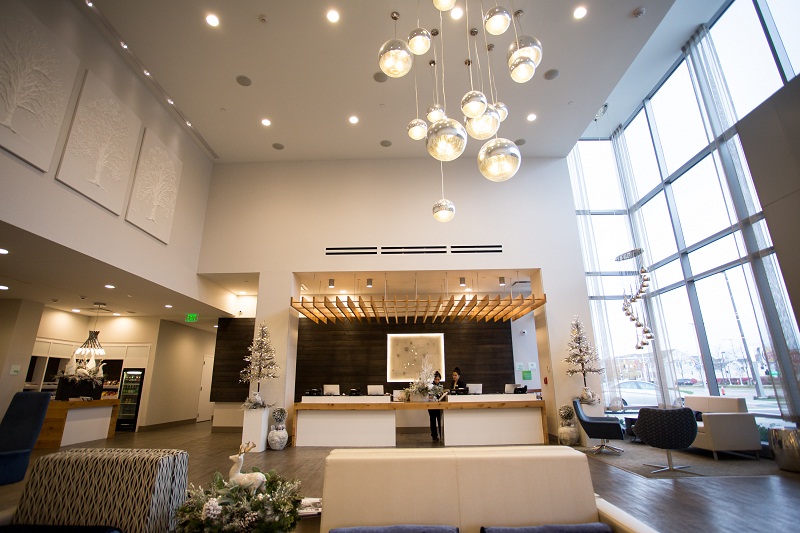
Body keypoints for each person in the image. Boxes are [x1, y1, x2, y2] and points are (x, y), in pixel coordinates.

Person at [428, 371, 445, 441]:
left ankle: (441, 434)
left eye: (438, 379)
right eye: (436, 379)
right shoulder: (430, 386)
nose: (437, 381)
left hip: (439, 405)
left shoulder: (441, 386)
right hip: (432, 405)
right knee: (433, 420)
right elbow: (429, 395)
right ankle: (434, 435)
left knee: (439, 419)